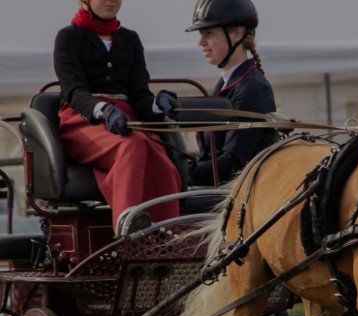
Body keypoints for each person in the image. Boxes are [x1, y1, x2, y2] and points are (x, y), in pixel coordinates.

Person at [53, 0, 182, 233]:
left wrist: (157, 105)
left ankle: (166, 237)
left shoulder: (130, 39)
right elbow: (74, 91)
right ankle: (128, 233)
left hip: (127, 119)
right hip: (82, 120)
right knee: (131, 146)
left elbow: (139, 95)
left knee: (163, 163)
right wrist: (105, 110)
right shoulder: (68, 38)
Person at [186, 0, 277, 186]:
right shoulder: (226, 85)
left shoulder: (252, 88)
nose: (201, 42)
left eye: (208, 33)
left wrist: (180, 172)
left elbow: (232, 164)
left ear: (236, 34)